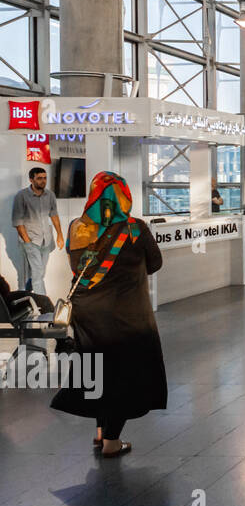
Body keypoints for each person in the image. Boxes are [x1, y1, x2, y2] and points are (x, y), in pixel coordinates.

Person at [51, 172, 165, 458]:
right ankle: (111, 442)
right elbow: (155, 263)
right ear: (124, 196)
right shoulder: (135, 228)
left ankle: (101, 431)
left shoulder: (77, 227)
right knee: (122, 374)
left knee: (98, 368)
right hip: (127, 314)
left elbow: (77, 266)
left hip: (87, 313)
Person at [12, 166, 62, 296]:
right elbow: (18, 222)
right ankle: (44, 307)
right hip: (30, 240)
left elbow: (54, 215)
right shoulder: (21, 196)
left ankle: (27, 291)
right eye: (39, 178)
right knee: (38, 273)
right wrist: (27, 242)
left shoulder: (50, 195)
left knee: (40, 272)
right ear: (31, 179)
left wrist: (60, 235)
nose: (43, 181)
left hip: (46, 240)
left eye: (45, 178)